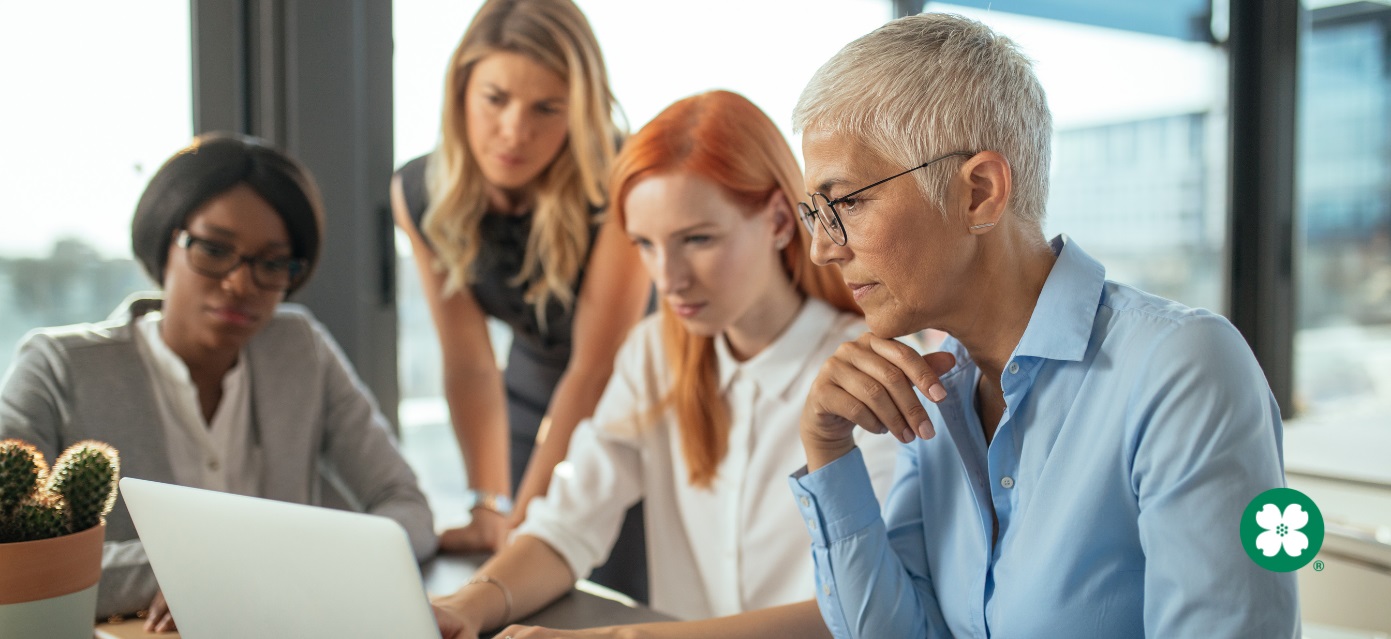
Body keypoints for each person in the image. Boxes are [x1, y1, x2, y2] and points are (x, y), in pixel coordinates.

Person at [787, 13, 1299, 638]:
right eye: (815, 212)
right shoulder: (938, 387)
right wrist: (828, 450)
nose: (822, 249)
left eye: (845, 204)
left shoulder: (1181, 368)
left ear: (978, 193)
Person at [431, 90, 900, 639]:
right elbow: (566, 526)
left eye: (696, 239)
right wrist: (465, 607)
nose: (668, 278)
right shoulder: (653, 354)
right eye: (645, 245)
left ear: (777, 218)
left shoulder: (871, 369)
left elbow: (869, 605)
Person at [0, 133, 437, 631]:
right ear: (166, 240)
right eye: (213, 249)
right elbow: (14, 555)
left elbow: (406, 508)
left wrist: (273, 569)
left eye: (271, 263)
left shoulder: (300, 349)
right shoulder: (58, 365)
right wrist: (221, 572)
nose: (239, 283)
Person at [391, 0, 650, 598]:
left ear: (579, 111)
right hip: (531, 390)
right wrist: (490, 504)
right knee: (507, 578)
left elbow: (595, 366)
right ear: (461, 93)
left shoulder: (620, 175)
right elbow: (469, 362)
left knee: (597, 582)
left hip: (637, 390)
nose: (514, 130)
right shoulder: (419, 189)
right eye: (496, 99)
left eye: (546, 108)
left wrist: (528, 526)